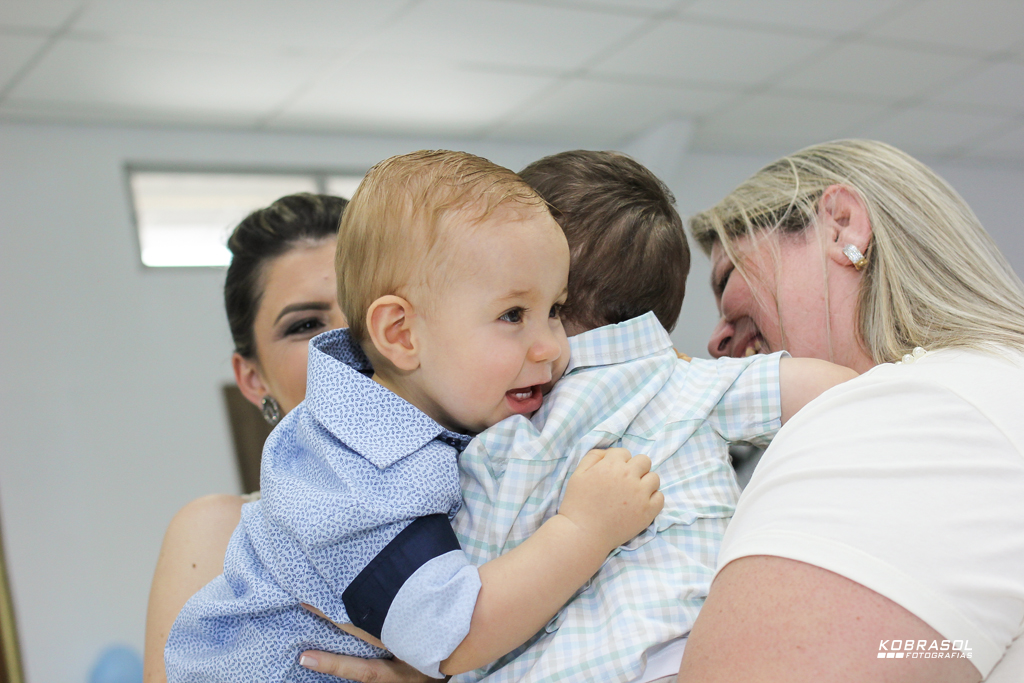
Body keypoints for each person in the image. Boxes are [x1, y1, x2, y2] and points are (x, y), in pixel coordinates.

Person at [164, 150, 664, 682]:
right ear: (400, 334)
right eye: (512, 314)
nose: (552, 347)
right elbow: (452, 633)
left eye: (555, 311)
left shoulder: (411, 432)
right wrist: (585, 529)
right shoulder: (361, 471)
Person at [451, 150, 854, 683]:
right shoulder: (695, 385)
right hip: (702, 653)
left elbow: (459, 611)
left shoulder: (505, 428)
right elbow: (840, 392)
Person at [678, 139, 1024, 682]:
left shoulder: (898, 417)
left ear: (842, 226)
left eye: (727, 282)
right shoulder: (992, 387)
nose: (716, 340)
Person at [143, 192, 348, 683]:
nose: (350, 339)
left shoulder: (496, 489)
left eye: (367, 307)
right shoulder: (218, 535)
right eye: (306, 325)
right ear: (253, 379)